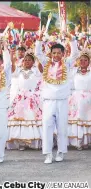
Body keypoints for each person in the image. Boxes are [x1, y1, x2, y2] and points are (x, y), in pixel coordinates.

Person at [35, 30, 79, 164]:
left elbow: (75, 54)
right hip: (48, 101)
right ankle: (48, 153)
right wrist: (39, 39)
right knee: (47, 126)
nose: (56, 55)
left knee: (62, 127)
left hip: (62, 100)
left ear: (63, 54)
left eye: (59, 53)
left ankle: (61, 151)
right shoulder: (46, 63)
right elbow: (38, 53)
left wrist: (71, 39)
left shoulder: (67, 63)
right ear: (51, 54)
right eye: (54, 53)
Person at [7, 51, 43, 150]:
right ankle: (21, 142)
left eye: (29, 60)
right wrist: (12, 57)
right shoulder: (19, 71)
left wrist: (37, 57)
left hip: (32, 98)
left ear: (33, 62)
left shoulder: (36, 71)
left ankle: (33, 142)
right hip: (20, 99)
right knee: (20, 119)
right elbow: (12, 69)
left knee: (31, 118)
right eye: (25, 60)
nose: (27, 61)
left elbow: (42, 69)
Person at [68, 49, 91, 150]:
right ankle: (79, 142)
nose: (83, 62)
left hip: (89, 99)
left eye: (85, 60)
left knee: (87, 119)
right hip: (77, 99)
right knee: (78, 119)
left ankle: (88, 141)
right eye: (81, 60)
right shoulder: (74, 72)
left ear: (89, 62)